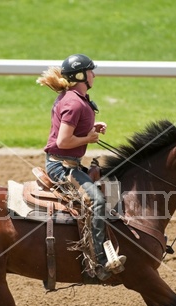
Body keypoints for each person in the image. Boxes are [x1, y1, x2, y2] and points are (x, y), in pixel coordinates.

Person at [36, 53, 126, 280]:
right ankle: (100, 262)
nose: (94, 74)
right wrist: (88, 139)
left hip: (67, 163)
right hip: (62, 168)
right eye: (90, 71)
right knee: (96, 200)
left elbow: (69, 130)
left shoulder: (74, 98)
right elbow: (63, 142)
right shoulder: (74, 103)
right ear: (80, 75)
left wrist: (90, 127)